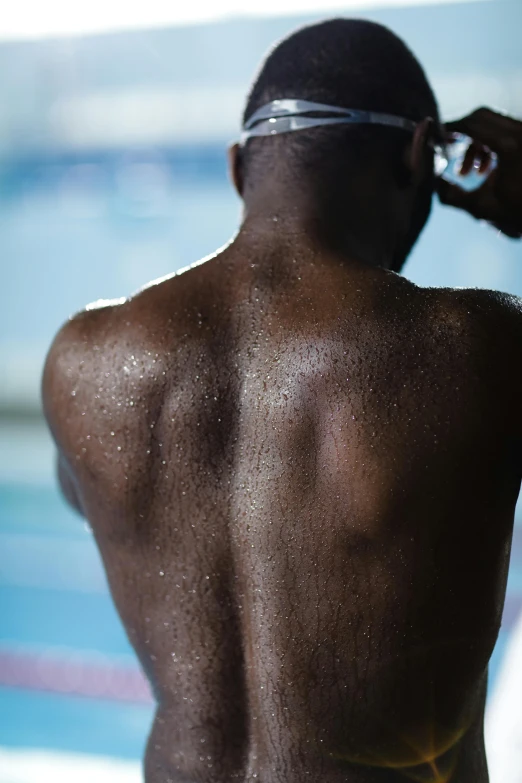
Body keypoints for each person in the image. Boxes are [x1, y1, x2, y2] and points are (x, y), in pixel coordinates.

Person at [42, 18, 522, 783]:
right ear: (417, 157)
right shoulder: (478, 347)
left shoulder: (84, 362)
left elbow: (89, 498)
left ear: (239, 168)